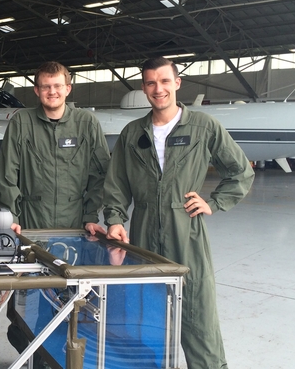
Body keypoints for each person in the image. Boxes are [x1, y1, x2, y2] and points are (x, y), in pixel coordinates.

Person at [102, 57, 255, 369]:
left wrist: (215, 201)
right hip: (143, 231)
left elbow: (241, 171)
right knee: (144, 310)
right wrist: (116, 219)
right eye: (150, 83)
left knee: (197, 310)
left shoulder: (203, 126)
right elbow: (116, 183)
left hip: (185, 230)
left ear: (177, 83)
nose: (158, 89)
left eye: (164, 81)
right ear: (144, 88)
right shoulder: (133, 133)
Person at [0, 61, 111, 367]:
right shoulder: (22, 123)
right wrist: (12, 217)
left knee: (74, 301)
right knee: (30, 301)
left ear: (68, 89)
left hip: (75, 229)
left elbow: (100, 172)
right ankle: (35, 356)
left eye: (57, 86)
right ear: (37, 90)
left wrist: (90, 214)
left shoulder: (86, 123)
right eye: (46, 86)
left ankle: (66, 358)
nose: (52, 91)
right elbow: (8, 174)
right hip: (33, 226)